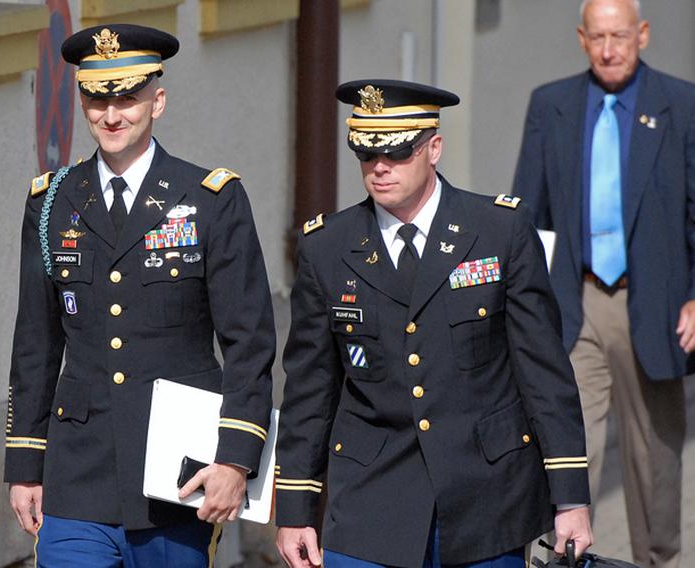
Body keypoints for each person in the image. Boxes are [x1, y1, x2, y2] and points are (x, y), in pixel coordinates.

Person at [274, 79, 593, 568]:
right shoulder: (327, 247)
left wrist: (571, 497)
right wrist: (295, 508)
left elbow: (544, 373)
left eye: (398, 153)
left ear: (434, 147)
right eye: (366, 154)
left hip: (486, 498)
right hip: (370, 500)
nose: (380, 167)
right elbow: (310, 389)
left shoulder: (498, 232)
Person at [3, 23, 276, 567]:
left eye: (127, 99)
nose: (111, 115)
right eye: (96, 99)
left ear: (158, 101)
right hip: (80, 468)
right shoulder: (52, 201)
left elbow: (249, 342)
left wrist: (236, 460)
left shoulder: (209, 199)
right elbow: (36, 343)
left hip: (178, 475)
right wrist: (25, 463)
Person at [512, 1, 695, 566]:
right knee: (569, 439)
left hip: (656, 300)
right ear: (581, 39)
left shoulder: (682, 104)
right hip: (577, 296)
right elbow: (528, 213)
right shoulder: (553, 105)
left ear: (642, 34)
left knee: (653, 455)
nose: (609, 49)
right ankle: (566, 556)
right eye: (598, 37)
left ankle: (657, 558)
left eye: (620, 35)